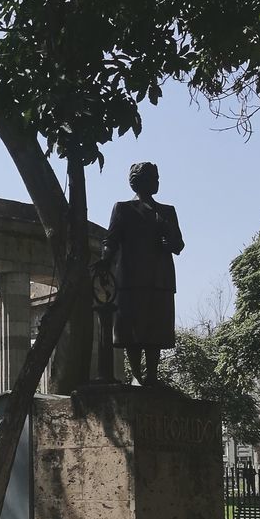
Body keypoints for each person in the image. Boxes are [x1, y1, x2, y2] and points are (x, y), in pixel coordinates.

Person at [98, 162, 184, 386]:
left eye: (157, 177)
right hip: (131, 278)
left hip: (160, 278)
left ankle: (153, 376)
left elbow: (179, 244)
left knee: (157, 328)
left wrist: (171, 243)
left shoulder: (167, 211)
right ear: (138, 182)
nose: (156, 182)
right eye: (152, 178)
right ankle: (136, 375)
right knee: (132, 330)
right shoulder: (123, 209)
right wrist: (105, 260)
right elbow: (111, 239)